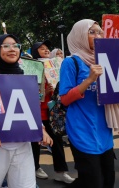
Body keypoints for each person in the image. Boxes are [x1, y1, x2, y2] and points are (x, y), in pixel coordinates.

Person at [0, 34, 53, 188]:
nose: (12, 49)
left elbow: (30, 108)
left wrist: (41, 129)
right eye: (6, 46)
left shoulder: (24, 76)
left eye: (15, 45)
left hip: (23, 143)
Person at [60, 19, 115, 188]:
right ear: (80, 36)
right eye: (92, 32)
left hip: (104, 130)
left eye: (100, 32)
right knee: (93, 181)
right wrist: (89, 79)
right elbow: (65, 99)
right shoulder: (71, 62)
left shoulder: (107, 60)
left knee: (108, 180)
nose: (98, 36)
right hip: (82, 129)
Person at [30, 40, 75, 183]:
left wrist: (53, 90)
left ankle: (61, 171)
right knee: (34, 143)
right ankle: (35, 168)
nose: (46, 50)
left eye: (47, 48)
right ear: (35, 52)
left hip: (51, 112)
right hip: (35, 112)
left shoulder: (55, 66)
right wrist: (42, 92)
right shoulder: (31, 68)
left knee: (57, 141)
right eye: (41, 48)